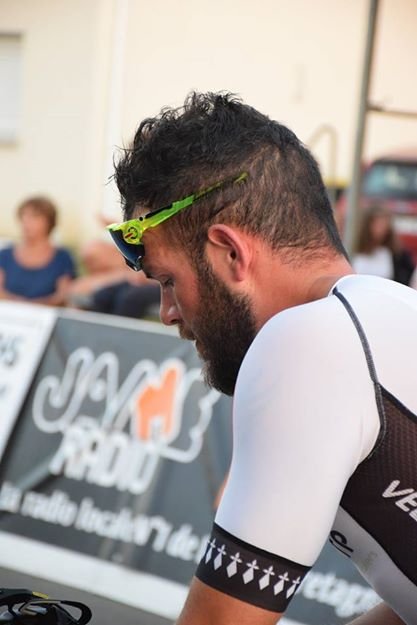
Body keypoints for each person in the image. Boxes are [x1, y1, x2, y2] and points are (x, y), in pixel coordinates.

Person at [108, 92, 417, 625]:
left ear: (231, 252)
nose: (167, 313)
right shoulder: (388, 309)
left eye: (168, 280)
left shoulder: (307, 344)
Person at [0, 196, 76, 305]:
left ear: (49, 222)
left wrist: (34, 306)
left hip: (46, 314)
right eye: (23, 216)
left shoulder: (62, 257)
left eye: (34, 217)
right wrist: (21, 305)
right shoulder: (5, 254)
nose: (26, 222)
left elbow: (62, 296)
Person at [352, 205, 415, 285]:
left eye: (384, 224)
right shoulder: (356, 250)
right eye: (377, 224)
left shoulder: (397, 253)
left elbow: (406, 278)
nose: (381, 228)